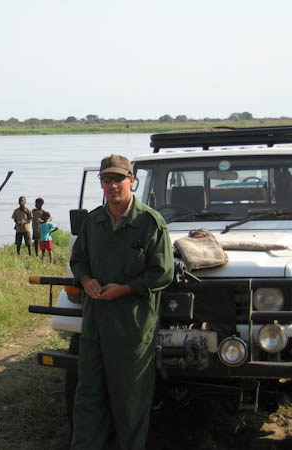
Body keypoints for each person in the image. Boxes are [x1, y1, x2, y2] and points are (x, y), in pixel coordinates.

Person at [69, 154, 174, 450]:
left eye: (119, 179)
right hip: (95, 327)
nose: (113, 185)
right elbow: (78, 260)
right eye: (107, 179)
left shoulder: (150, 223)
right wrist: (86, 280)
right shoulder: (93, 222)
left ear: (131, 180)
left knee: (130, 402)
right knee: (88, 397)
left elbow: (163, 273)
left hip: (132, 330)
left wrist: (125, 289)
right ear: (101, 183)